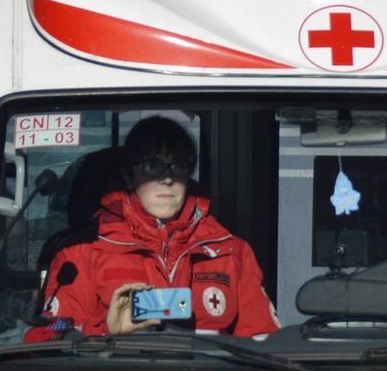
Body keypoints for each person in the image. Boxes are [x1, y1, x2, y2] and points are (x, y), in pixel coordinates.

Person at [26, 116, 279, 340]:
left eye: (177, 166)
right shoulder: (82, 252)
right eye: (152, 166)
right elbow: (46, 334)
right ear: (128, 175)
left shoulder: (231, 251)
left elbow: (263, 340)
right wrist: (104, 329)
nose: (166, 178)